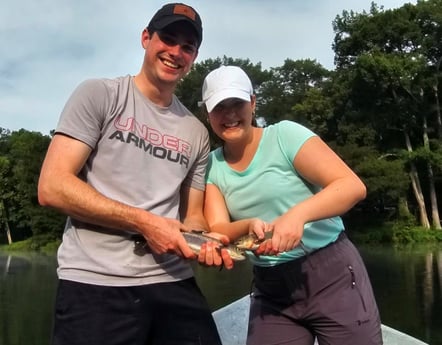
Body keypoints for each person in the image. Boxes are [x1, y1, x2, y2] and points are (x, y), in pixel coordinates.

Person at [38, 4, 226, 345]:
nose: (175, 52)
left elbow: (194, 217)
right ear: (145, 38)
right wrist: (144, 223)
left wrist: (205, 245)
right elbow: (52, 186)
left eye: (187, 47)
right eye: (167, 39)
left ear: (194, 56)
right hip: (95, 281)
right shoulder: (100, 95)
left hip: (172, 280)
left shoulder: (196, 132)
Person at [200, 65, 383, 345]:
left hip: (331, 275)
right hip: (271, 290)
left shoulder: (284, 136)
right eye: (219, 107)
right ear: (208, 114)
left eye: (237, 103)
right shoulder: (213, 165)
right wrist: (249, 224)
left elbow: (351, 186)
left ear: (253, 102)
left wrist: (298, 215)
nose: (230, 114)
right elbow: (219, 227)